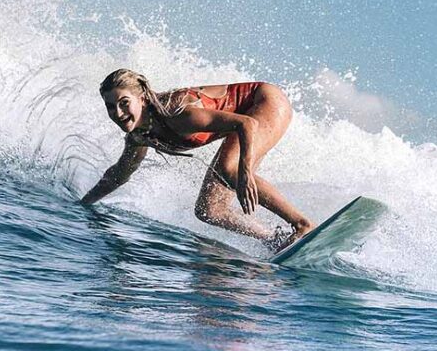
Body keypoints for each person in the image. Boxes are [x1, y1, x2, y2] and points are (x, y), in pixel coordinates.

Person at [80, 69, 314, 250]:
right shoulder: (139, 136)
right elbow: (119, 174)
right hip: (242, 122)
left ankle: (302, 225)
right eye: (111, 107)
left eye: (124, 103)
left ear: (141, 98)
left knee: (229, 168)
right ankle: (273, 239)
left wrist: (244, 172)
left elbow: (246, 124)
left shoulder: (177, 114)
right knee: (208, 210)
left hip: (264, 101)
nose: (118, 114)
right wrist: (83, 204)